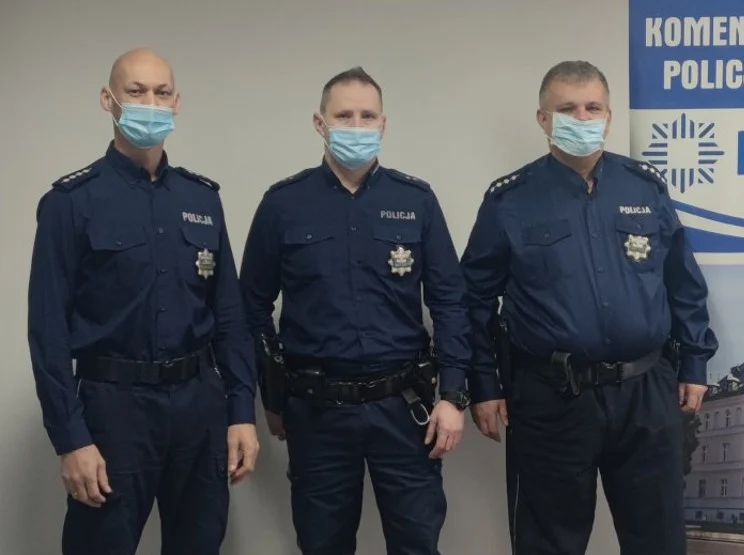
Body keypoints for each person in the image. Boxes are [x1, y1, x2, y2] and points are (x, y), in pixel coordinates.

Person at [459, 60, 719, 555]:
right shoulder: (509, 201)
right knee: (548, 544)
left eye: (592, 107)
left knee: (659, 541)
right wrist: (484, 385)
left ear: (608, 116)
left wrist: (695, 362)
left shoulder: (644, 187)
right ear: (543, 119)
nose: (582, 118)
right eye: (567, 109)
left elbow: (682, 281)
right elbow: (472, 299)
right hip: (552, 398)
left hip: (645, 392)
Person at [26, 48, 260, 555]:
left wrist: (241, 411)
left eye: (161, 92)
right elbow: (48, 334)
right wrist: (71, 438)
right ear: (108, 100)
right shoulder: (71, 203)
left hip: (199, 406)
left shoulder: (201, 199)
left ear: (176, 102)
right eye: (136, 92)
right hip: (114, 410)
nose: (150, 103)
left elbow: (229, 317)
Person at [239, 66, 472, 555]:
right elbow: (250, 307)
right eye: (344, 116)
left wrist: (452, 396)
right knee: (323, 544)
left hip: (405, 408)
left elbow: (450, 301)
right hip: (316, 411)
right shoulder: (284, 204)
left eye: (368, 116)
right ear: (319, 123)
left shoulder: (415, 200)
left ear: (383, 124)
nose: (357, 126)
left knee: (417, 543)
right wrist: (273, 394)